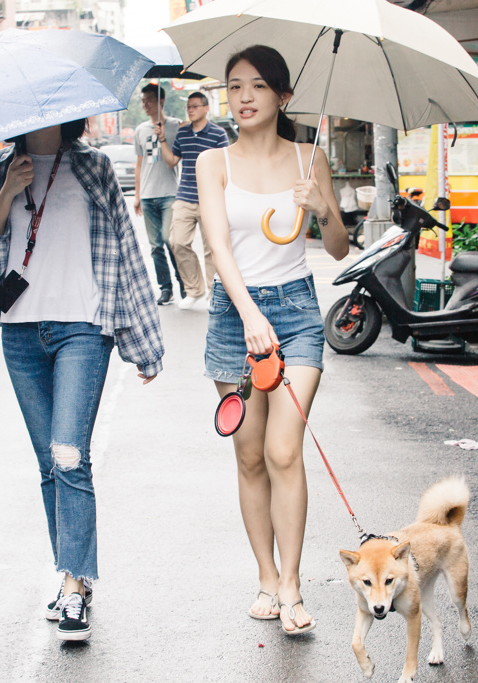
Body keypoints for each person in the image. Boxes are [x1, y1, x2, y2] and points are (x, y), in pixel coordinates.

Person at [0, 120, 164, 643]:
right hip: (21, 333)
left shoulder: (92, 166)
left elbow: (126, 251)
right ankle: (70, 572)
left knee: (70, 454)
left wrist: (143, 342)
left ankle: (75, 587)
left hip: (82, 327)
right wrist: (6, 193)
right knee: (49, 461)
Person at [195, 45, 348, 635]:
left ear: (283, 97)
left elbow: (336, 248)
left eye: (258, 86)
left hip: (298, 312)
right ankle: (265, 575)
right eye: (234, 87)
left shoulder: (311, 159)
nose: (244, 97)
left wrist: (324, 208)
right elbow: (218, 248)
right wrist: (249, 314)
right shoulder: (215, 163)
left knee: (287, 449)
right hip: (237, 316)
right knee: (251, 454)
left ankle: (292, 582)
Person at [156, 91, 230, 310]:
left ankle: (212, 295)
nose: (190, 109)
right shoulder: (183, 133)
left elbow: (225, 164)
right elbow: (172, 161)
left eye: (195, 106)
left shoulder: (218, 134)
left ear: (206, 108)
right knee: (176, 241)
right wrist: (162, 140)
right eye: (188, 106)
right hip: (185, 196)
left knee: (212, 249)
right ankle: (194, 290)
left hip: (211, 198)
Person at [134, 83, 186, 306]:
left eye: (149, 100)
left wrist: (164, 134)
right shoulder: (140, 130)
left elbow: (179, 157)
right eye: (143, 101)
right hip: (147, 195)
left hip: (169, 194)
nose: (145, 105)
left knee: (170, 239)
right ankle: (166, 289)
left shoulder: (176, 126)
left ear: (161, 102)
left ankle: (183, 281)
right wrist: (137, 195)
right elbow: (139, 164)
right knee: (155, 246)